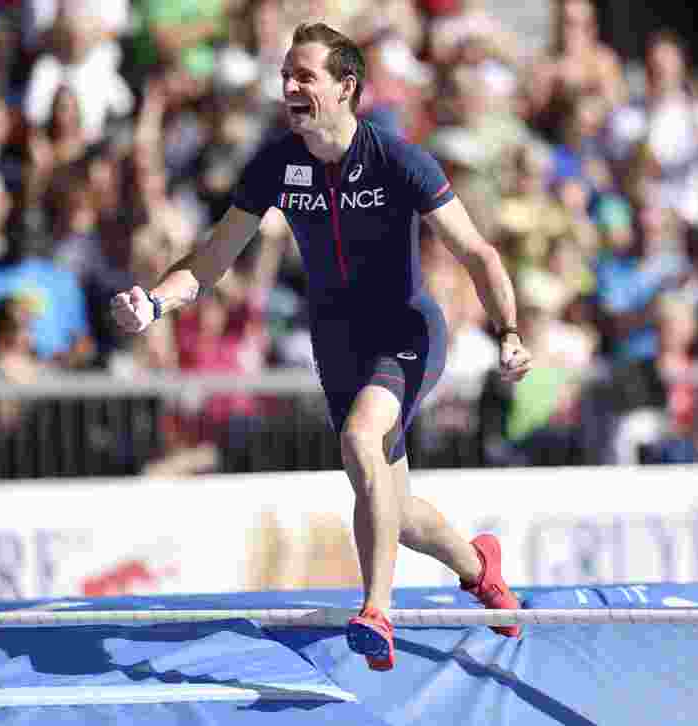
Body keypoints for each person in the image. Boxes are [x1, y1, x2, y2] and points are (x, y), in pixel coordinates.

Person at [111, 22, 532, 671]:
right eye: (285, 74)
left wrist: (507, 331)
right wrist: (155, 302)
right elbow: (214, 258)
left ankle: (377, 612)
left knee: (363, 442)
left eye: (305, 75)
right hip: (337, 347)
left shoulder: (399, 160)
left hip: (405, 333)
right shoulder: (277, 163)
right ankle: (480, 566)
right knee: (391, 502)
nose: (290, 86)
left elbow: (476, 251)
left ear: (346, 87)